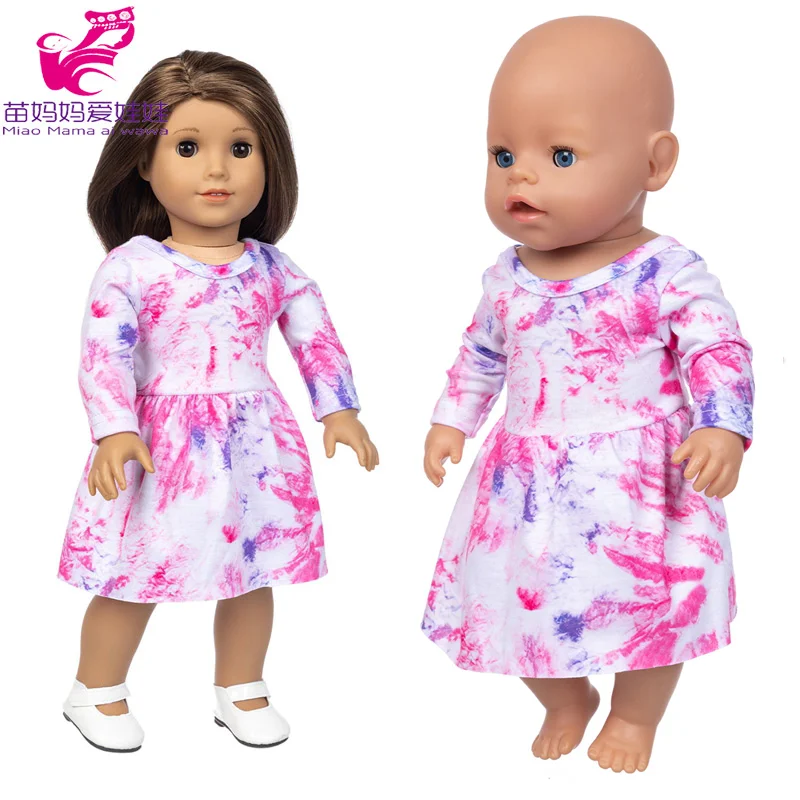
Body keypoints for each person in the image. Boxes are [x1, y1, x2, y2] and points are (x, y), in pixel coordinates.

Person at [421, 16, 754, 773]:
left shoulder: (666, 272)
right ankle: (564, 697)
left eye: (561, 155)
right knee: (514, 601)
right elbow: (481, 355)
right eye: (503, 155)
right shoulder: (506, 278)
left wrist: (722, 427)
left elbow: (717, 349)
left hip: (639, 483)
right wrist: (451, 422)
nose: (521, 177)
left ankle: (635, 716)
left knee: (652, 611)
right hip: (525, 482)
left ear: (654, 164)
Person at [59, 49, 378, 752]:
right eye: (188, 147)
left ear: (270, 163)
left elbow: (314, 336)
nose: (217, 170)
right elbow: (104, 353)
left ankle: (241, 685)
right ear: (143, 163)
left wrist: (339, 409)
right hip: (162, 446)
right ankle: (96, 687)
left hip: (254, 443)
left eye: (240, 148)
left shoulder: (273, 268)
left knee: (252, 568)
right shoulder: (132, 266)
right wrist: (114, 430)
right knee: (136, 570)